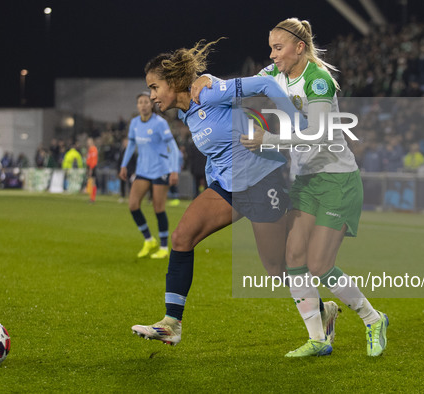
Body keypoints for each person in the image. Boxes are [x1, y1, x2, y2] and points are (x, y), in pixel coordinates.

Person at [192, 18, 388, 357]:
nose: (272, 54)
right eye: (271, 47)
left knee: (320, 264)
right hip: (305, 180)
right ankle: (319, 339)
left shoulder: (318, 80)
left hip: (335, 179)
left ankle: (373, 319)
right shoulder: (277, 75)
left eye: (278, 48)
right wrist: (212, 81)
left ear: (299, 47)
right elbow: (245, 84)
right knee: (293, 259)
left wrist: (269, 140)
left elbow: (319, 133)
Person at [131, 39, 339, 349]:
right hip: (228, 187)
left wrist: (297, 122)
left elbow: (266, 84)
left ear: (173, 83)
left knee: (276, 267)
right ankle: (171, 324)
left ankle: (324, 310)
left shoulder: (210, 91)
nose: (151, 96)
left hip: (262, 180)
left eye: (154, 87)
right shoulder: (187, 114)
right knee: (181, 238)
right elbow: (220, 151)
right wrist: (212, 180)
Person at [119, 92, 181, 259]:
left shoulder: (160, 123)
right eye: (140, 102)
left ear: (151, 104)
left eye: (146, 102)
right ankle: (148, 239)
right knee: (133, 205)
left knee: (158, 208)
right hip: (142, 170)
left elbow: (173, 147)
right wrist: (124, 165)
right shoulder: (134, 123)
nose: (143, 105)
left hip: (161, 169)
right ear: (137, 105)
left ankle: (163, 247)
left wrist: (174, 169)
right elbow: (131, 144)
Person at [86, 138, 98, 203]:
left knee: (93, 182)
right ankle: (91, 197)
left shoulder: (93, 149)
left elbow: (93, 160)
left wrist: (91, 169)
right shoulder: (91, 149)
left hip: (92, 167)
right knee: (92, 182)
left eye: (89, 142)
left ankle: (92, 198)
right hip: (91, 167)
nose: (88, 143)